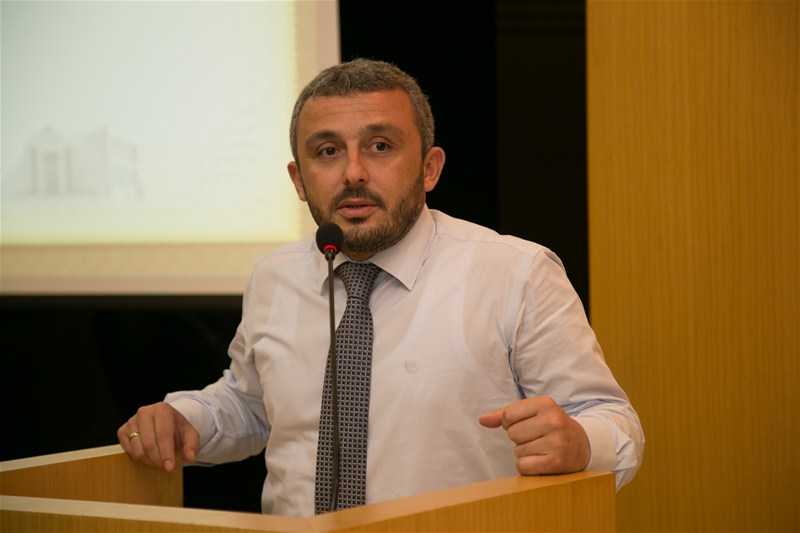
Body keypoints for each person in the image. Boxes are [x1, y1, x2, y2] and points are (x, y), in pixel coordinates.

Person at [118, 58, 644, 517]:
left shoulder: (515, 273)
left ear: (430, 168)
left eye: (380, 146)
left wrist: (580, 442)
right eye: (327, 151)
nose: (353, 173)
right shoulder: (274, 276)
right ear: (299, 180)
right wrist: (185, 417)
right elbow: (252, 405)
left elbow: (616, 424)